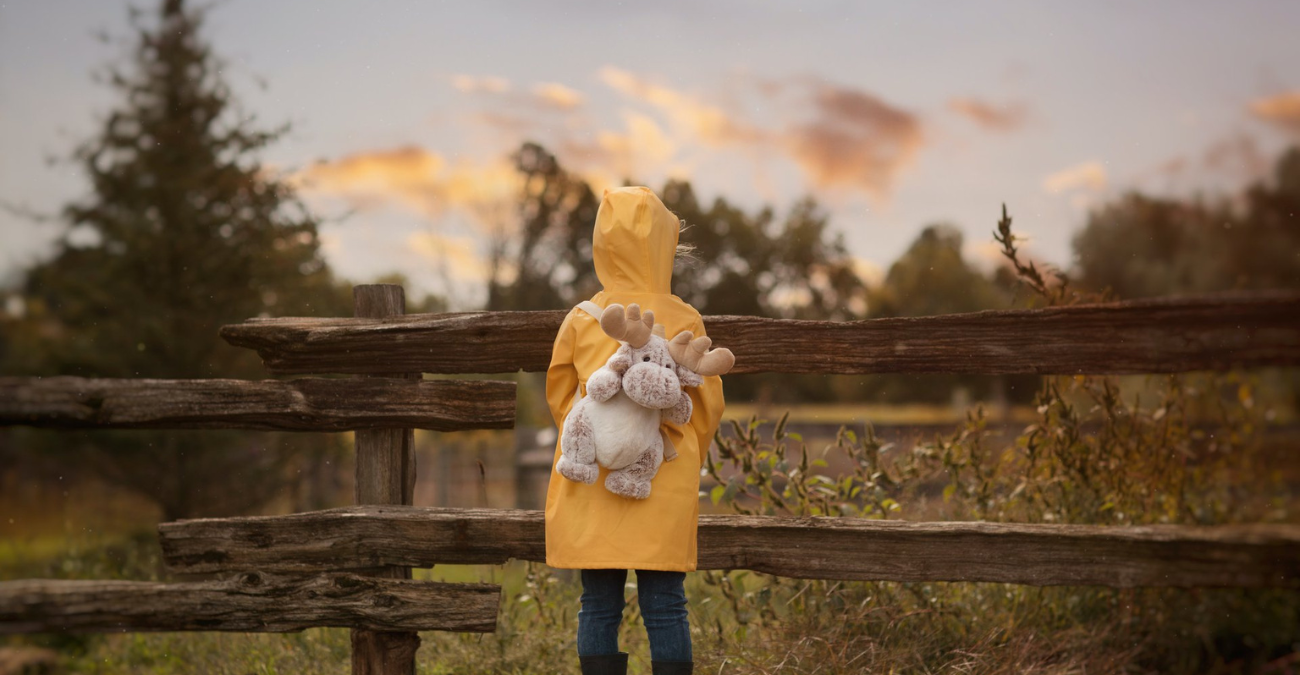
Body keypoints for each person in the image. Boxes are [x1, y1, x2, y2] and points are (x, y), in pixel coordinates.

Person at [544, 186, 726, 675]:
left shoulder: (583, 318)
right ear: (665, 245)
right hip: (661, 479)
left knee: (598, 601)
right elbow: (706, 405)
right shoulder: (684, 317)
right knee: (665, 602)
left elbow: (561, 396)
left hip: (593, 480)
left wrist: (593, 438)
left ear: (603, 244)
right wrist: (687, 453)